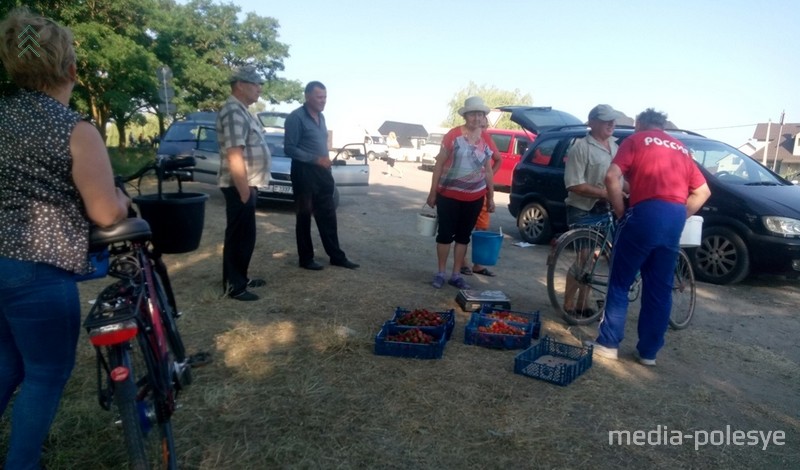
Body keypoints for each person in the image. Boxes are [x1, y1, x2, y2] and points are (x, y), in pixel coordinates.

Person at [0, 8, 130, 468]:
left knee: (7, 364)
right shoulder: (74, 129)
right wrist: (121, 198)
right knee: (45, 373)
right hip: (36, 271)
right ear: (70, 69)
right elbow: (103, 211)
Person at [587, 108, 711, 365]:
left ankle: (608, 344)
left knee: (620, 281)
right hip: (674, 217)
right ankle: (648, 353)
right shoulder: (681, 148)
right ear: (663, 126)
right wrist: (678, 216)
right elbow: (702, 192)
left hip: (644, 213)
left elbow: (611, 177)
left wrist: (621, 211)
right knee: (660, 288)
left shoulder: (635, 140)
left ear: (639, 124)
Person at [284, 81, 359, 271]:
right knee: (304, 216)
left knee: (328, 214)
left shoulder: (322, 117)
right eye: (319, 97)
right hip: (303, 172)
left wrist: (324, 162)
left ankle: (336, 256)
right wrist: (315, 159)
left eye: (325, 97)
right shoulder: (296, 118)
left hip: (322, 173)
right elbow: (289, 148)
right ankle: (306, 259)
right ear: (307, 96)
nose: (323, 101)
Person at [426, 96, 498, 289]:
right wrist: (433, 192)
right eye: (473, 114)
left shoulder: (486, 139)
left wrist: (490, 197)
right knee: (445, 234)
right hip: (448, 194)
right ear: (466, 116)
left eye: (480, 114)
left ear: (484, 118)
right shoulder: (453, 135)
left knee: (463, 236)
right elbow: (439, 163)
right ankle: (441, 272)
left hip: (474, 196)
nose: (477, 118)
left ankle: (456, 274)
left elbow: (489, 170)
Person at [562, 104, 625, 317]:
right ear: (592, 122)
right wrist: (605, 193)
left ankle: (583, 303)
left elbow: (621, 180)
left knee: (595, 259)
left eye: (613, 120)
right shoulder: (581, 147)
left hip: (604, 209)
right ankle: (569, 304)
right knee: (584, 257)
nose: (611, 124)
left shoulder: (615, 147)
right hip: (582, 208)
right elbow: (573, 184)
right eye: (606, 120)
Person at [216, 65, 271, 301]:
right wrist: (243, 190)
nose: (259, 88)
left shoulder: (244, 110)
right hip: (240, 185)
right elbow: (234, 153)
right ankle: (234, 286)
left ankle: (241, 277)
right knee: (239, 236)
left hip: (247, 184)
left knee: (245, 236)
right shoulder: (233, 111)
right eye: (255, 83)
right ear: (240, 85)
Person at [461, 113, 501, 277]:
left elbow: (498, 160)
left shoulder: (487, 139)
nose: (482, 129)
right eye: (480, 126)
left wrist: (488, 176)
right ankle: (462, 263)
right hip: (465, 190)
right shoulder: (462, 137)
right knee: (464, 228)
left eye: (485, 126)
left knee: (482, 227)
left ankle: (478, 264)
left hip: (482, 191)